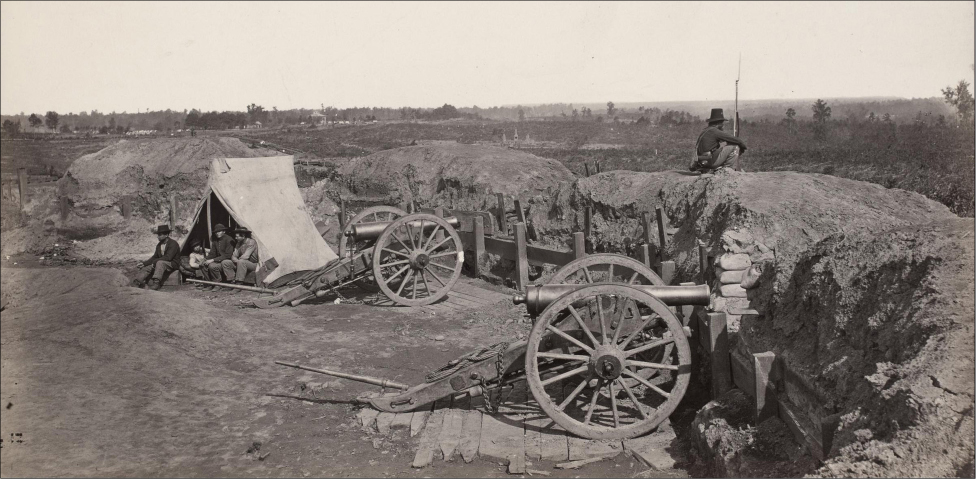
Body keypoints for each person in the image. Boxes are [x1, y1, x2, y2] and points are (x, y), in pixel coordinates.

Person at [691, 108, 748, 172]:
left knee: (724, 146)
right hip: (709, 161)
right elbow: (737, 140)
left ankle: (714, 169)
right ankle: (727, 170)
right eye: (722, 123)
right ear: (718, 123)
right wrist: (742, 147)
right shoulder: (715, 131)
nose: (723, 125)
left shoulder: (706, 131)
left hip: (702, 161)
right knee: (735, 147)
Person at [133, 225, 181, 290]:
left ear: (166, 235)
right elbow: (155, 257)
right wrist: (144, 263)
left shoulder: (173, 244)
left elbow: (169, 257)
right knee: (148, 267)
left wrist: (155, 262)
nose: (158, 237)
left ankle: (156, 283)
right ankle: (137, 281)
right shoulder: (159, 245)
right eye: (158, 235)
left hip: (172, 263)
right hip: (161, 262)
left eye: (160, 235)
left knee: (160, 263)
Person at [200, 223, 236, 291]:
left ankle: (220, 284)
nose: (217, 233)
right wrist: (205, 259)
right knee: (203, 264)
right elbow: (212, 253)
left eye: (219, 231)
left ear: (224, 231)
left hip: (227, 261)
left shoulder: (229, 239)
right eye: (216, 232)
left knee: (212, 265)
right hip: (219, 261)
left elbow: (228, 255)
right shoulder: (215, 241)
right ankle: (210, 284)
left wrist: (213, 260)